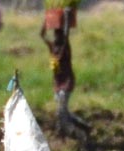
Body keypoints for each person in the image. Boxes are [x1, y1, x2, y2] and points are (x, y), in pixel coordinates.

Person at [40, 0, 90, 137]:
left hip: (66, 85)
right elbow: (42, 35)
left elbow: (66, 34)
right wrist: (47, 19)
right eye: (55, 36)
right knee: (64, 112)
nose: (56, 37)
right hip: (57, 86)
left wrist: (66, 18)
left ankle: (77, 134)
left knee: (61, 113)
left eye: (58, 36)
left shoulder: (63, 49)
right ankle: (84, 128)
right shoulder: (53, 49)